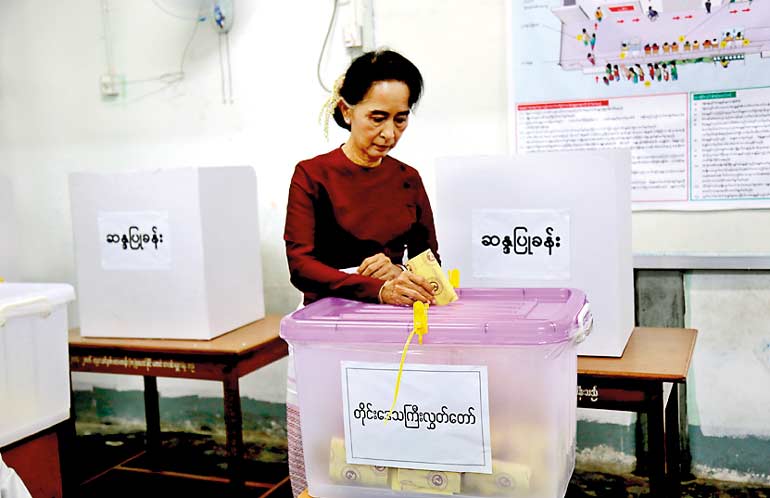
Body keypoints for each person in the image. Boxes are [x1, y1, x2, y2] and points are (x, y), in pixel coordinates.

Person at [283, 49, 439, 497]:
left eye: (401, 119)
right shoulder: (313, 176)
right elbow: (301, 265)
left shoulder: (407, 178)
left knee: (390, 434)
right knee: (328, 441)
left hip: (393, 332)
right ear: (347, 110)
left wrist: (400, 270)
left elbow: (429, 260)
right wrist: (376, 286)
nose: (389, 133)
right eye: (377, 118)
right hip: (327, 327)